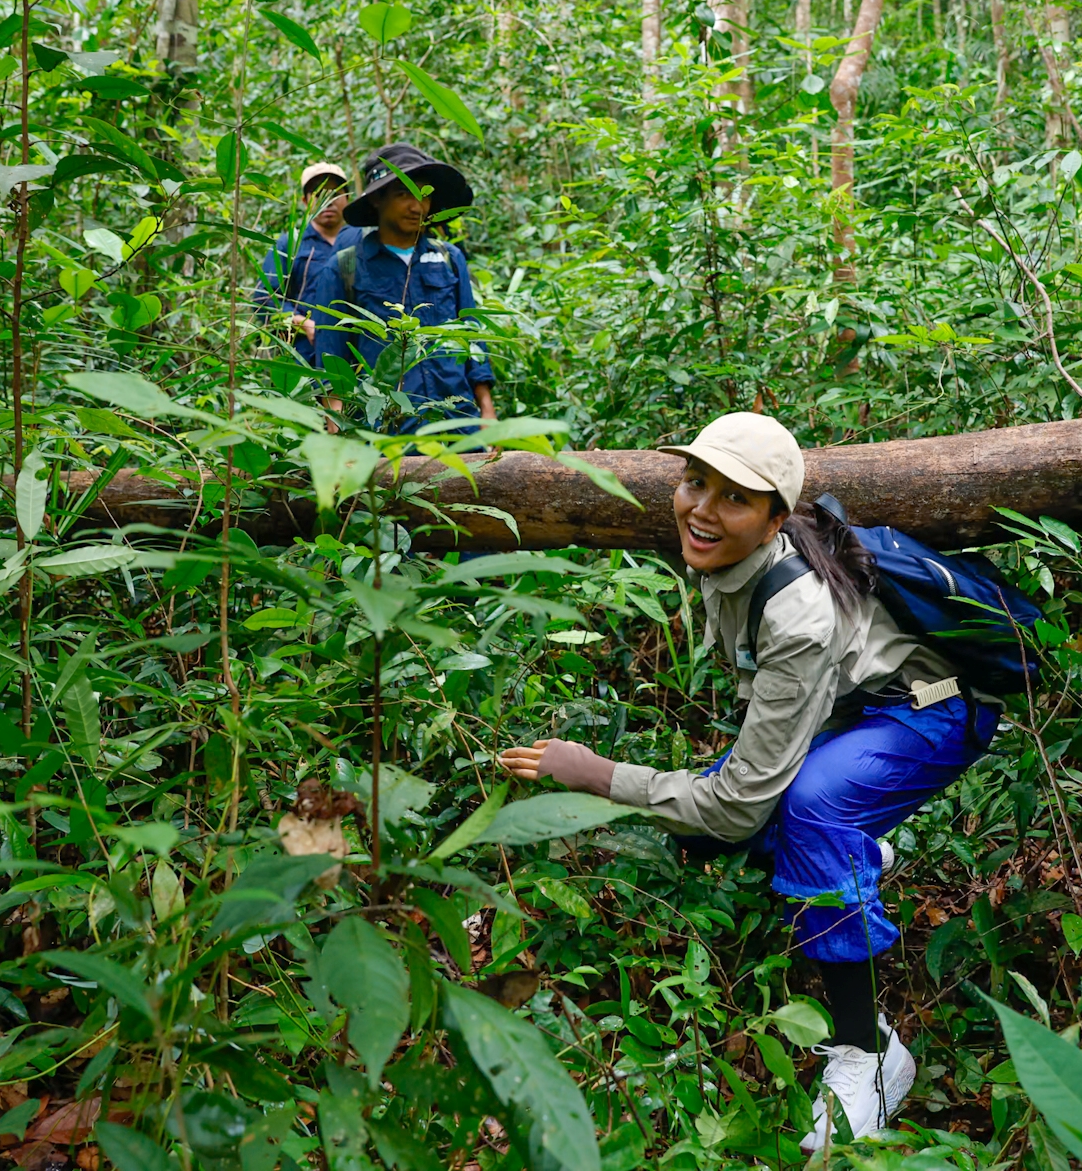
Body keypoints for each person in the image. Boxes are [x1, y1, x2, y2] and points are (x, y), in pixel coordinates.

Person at [499, 413, 996, 1151]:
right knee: (733, 816)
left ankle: (872, 1052)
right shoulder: (728, 555)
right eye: (694, 482)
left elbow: (734, 807)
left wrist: (598, 773)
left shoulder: (796, 609)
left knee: (804, 809)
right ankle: (853, 861)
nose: (701, 509)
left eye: (733, 497)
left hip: (935, 711)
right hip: (854, 713)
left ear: (773, 519)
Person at [314, 143, 496, 432]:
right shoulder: (344, 268)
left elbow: (471, 333)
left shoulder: (449, 258)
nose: (416, 207)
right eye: (403, 194)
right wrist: (337, 427)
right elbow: (331, 360)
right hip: (384, 428)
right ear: (377, 200)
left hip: (458, 423)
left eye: (423, 196)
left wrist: (487, 410)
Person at [251, 161, 348, 365]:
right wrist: (304, 324)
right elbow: (265, 298)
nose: (328, 201)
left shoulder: (360, 242)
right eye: (318, 193)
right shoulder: (291, 243)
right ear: (305, 201)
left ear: (347, 199)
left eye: (335, 193)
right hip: (304, 356)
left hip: (354, 354)